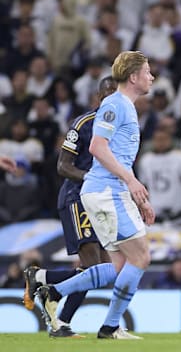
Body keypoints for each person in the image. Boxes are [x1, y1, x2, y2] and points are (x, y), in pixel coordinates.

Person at [36, 51, 156, 340]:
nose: (152, 77)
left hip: (110, 192)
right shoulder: (115, 105)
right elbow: (97, 148)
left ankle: (52, 291)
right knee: (141, 257)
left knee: (116, 267)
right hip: (106, 192)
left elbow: (118, 156)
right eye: (148, 72)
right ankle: (110, 326)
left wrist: (138, 196)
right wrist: (131, 181)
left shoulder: (126, 106)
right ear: (133, 77)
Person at [23, 76, 117, 338]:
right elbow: (63, 166)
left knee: (104, 272)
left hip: (101, 202)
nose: (113, 98)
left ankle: (45, 284)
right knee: (92, 268)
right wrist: (93, 179)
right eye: (108, 93)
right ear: (99, 97)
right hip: (77, 198)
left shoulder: (122, 127)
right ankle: (55, 309)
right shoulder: (83, 124)